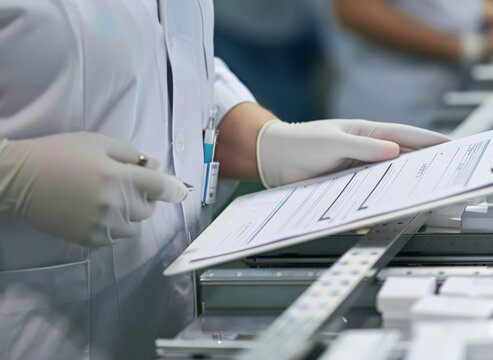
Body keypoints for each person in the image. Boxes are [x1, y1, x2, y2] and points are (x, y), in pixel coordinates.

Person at [0, 1, 449, 359]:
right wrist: (12, 173)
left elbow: (168, 62)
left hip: (171, 308)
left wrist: (262, 140)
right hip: (35, 322)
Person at [319, 0, 493, 129]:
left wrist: (481, 9)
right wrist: (463, 48)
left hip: (452, 93)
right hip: (397, 105)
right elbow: (356, 11)